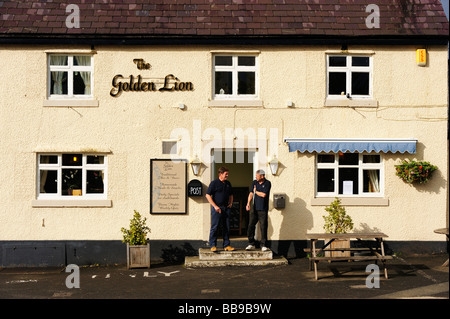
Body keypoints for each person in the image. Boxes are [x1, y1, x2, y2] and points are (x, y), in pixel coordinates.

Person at [205, 167, 235, 252]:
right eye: (226, 174)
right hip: (217, 208)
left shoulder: (228, 183)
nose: (227, 176)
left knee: (227, 227)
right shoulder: (214, 183)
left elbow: (231, 194)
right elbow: (207, 195)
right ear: (220, 174)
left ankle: (226, 245)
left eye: (227, 174)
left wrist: (231, 203)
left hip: (226, 208)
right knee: (215, 227)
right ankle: (213, 245)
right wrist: (215, 206)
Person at [246, 169, 271, 251]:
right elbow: (251, 193)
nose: (255, 177)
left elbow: (263, 195)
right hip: (255, 208)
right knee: (250, 226)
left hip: (263, 209)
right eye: (256, 176)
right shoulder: (254, 182)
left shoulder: (267, 183)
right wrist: (248, 203)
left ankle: (263, 245)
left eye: (257, 176)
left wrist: (256, 191)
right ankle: (251, 243)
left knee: (263, 227)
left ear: (262, 176)